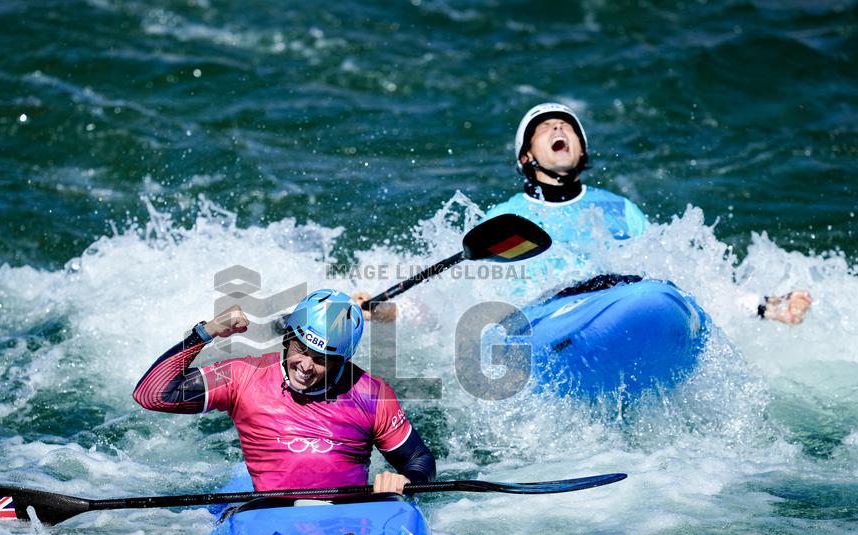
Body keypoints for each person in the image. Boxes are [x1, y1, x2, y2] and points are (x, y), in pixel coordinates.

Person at [481, 102, 812, 324]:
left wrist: (760, 303)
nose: (558, 130)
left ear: (582, 148)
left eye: (567, 126)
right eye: (545, 128)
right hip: (546, 320)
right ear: (526, 156)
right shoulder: (504, 217)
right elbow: (477, 292)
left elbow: (678, 272)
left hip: (616, 308)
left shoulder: (620, 209)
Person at [132, 289, 435, 493]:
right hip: (269, 514)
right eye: (300, 351)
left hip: (348, 515)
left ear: (344, 360)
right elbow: (153, 394)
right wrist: (207, 331)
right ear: (287, 337)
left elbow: (419, 457)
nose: (305, 366)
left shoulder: (370, 393)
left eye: (321, 360)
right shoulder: (243, 376)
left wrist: (406, 480)